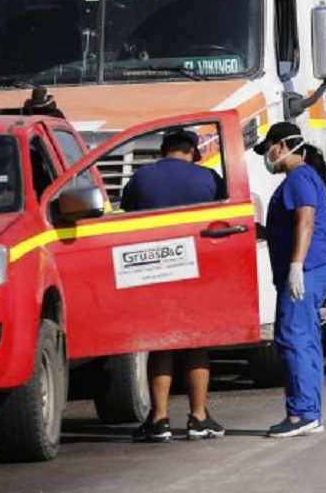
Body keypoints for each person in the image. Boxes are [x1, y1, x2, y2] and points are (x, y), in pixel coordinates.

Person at [126, 128, 226, 442]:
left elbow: (126, 215)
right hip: (197, 270)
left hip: (155, 269)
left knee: (161, 342)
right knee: (196, 341)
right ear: (193, 152)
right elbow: (225, 218)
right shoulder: (208, 178)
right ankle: (198, 418)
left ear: (163, 150)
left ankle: (159, 419)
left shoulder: (141, 178)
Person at [254, 122, 326, 438]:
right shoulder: (301, 178)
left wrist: (295, 265)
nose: (268, 157)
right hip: (311, 267)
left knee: (292, 337)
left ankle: (302, 413)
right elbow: (293, 224)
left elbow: (305, 219)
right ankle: (309, 412)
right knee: (305, 339)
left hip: (306, 269)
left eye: (268, 149)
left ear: (283, 144)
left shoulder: (299, 178)